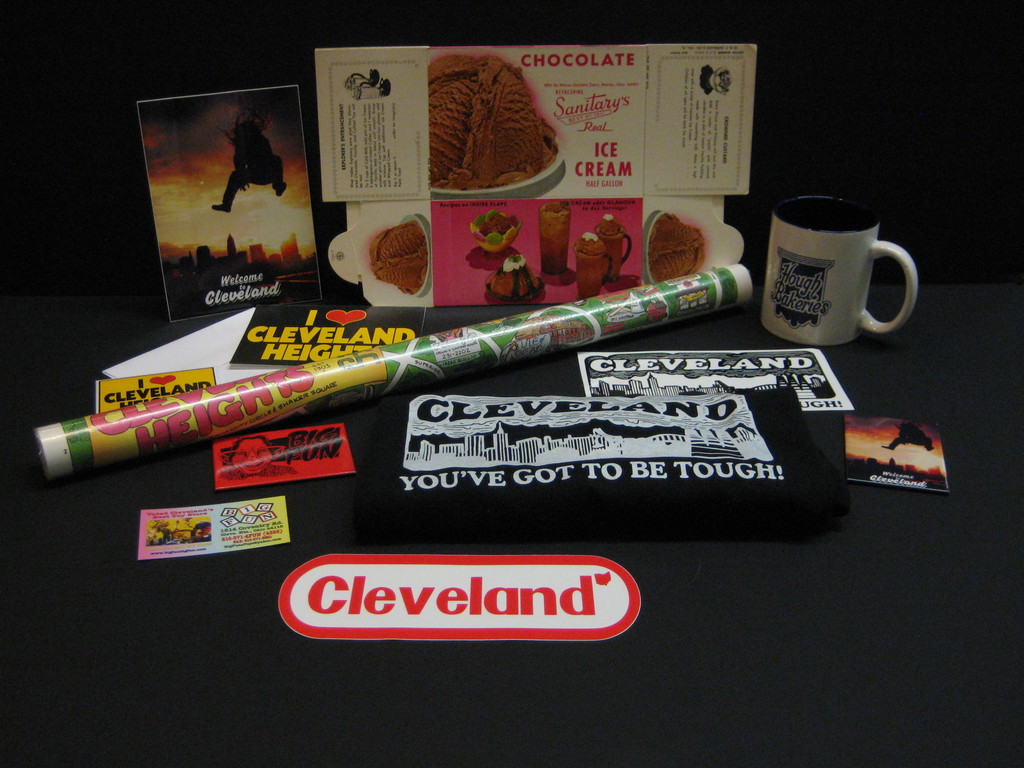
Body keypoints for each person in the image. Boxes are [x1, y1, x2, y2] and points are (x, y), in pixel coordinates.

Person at [212, 108, 286, 213]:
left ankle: (278, 186)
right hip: (256, 173)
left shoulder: (260, 140)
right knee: (235, 175)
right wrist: (242, 175)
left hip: (266, 172)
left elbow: (269, 159)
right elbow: (239, 159)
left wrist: (243, 174)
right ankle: (226, 205)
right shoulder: (244, 143)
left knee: (276, 159)